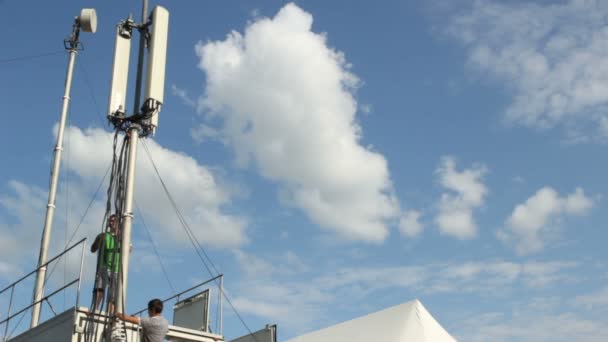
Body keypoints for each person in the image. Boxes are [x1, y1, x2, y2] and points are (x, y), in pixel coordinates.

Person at [91, 214, 121, 314]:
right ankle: (95, 309)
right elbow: (92, 249)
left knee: (113, 295)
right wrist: (98, 241)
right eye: (110, 221)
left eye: (113, 221)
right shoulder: (103, 235)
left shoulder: (122, 238)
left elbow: (128, 250)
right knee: (99, 288)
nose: (111, 223)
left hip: (116, 269)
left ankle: (109, 314)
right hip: (103, 266)